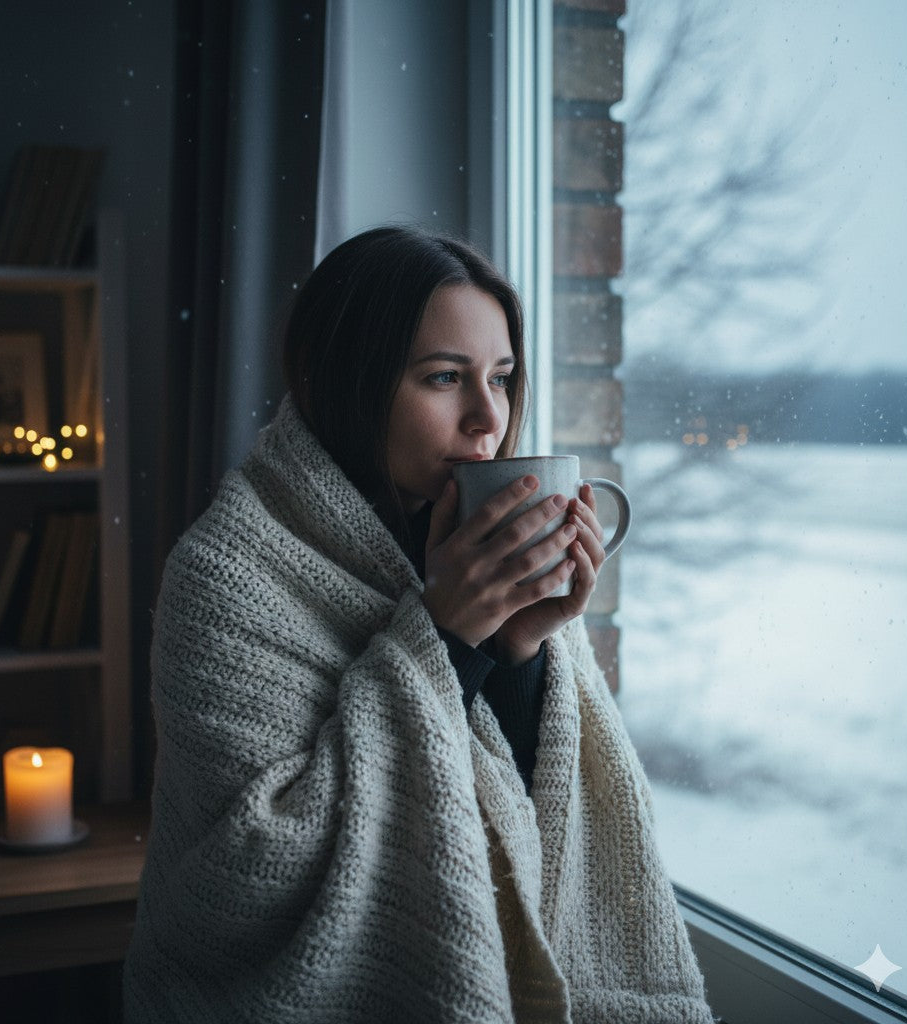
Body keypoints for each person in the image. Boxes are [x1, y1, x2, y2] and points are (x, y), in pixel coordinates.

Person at [123, 226, 713, 1023]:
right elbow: (247, 874)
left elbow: (536, 813)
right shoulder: (224, 576)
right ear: (349, 382)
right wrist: (444, 637)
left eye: (501, 379)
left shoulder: (480, 552)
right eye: (444, 377)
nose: (487, 418)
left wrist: (522, 647)